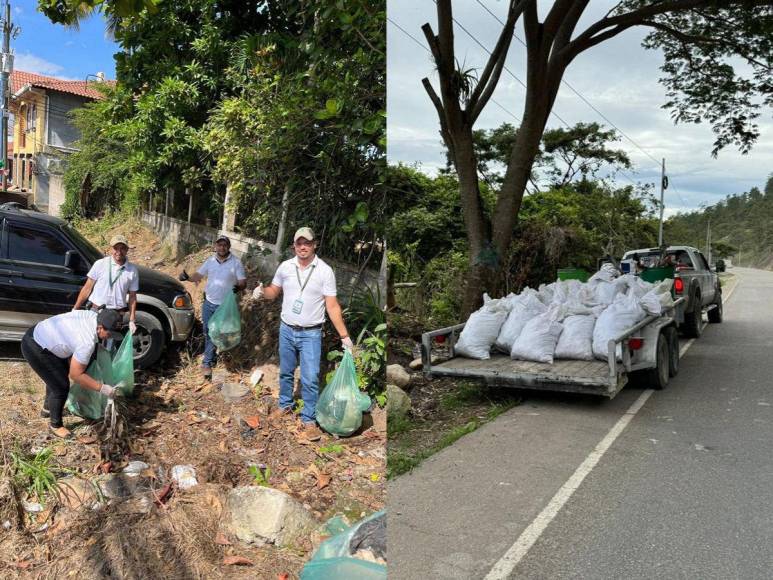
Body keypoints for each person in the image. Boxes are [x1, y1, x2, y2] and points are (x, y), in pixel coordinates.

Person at [252, 227, 354, 441]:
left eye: (306, 242)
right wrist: (262, 292)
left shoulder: (324, 271)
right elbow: (273, 292)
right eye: (299, 243)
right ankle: (285, 405)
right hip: (287, 329)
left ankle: (309, 420)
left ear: (314, 244)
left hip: (311, 334)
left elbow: (332, 306)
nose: (303, 247)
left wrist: (345, 336)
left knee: (309, 378)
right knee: (286, 371)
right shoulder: (285, 267)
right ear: (294, 246)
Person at [20, 309, 124, 439]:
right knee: (61, 387)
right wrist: (103, 388)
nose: (111, 337)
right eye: (109, 334)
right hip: (35, 346)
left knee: (56, 376)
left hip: (43, 336)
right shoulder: (87, 341)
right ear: (100, 327)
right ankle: (55, 425)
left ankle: (48, 409)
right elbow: (76, 375)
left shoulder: (92, 315)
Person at [179, 235, 246, 379]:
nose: (221, 248)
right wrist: (187, 277)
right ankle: (212, 356)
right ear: (215, 246)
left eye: (224, 245)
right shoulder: (210, 261)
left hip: (224, 306)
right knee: (207, 330)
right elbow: (198, 275)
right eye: (219, 245)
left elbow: (243, 281)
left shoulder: (236, 263)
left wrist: (238, 287)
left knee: (213, 332)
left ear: (228, 247)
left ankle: (207, 363)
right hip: (208, 303)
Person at [73, 235, 139, 335]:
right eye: (116, 248)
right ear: (110, 249)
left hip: (116, 315)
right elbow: (87, 288)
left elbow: (132, 297)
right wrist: (75, 309)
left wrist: (132, 320)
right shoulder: (100, 264)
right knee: (90, 341)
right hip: (96, 311)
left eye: (122, 248)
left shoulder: (132, 270)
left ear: (127, 250)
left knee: (110, 346)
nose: (119, 252)